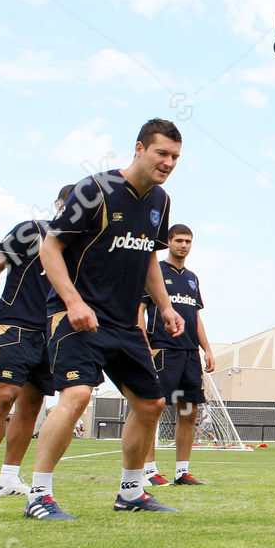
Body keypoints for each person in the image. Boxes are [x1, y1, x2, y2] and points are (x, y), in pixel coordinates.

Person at [26, 120, 186, 520]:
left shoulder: (161, 201)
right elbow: (50, 247)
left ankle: (131, 493)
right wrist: (73, 301)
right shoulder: (94, 189)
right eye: (161, 153)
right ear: (139, 148)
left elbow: (149, 257)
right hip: (77, 316)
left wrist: (166, 306)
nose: (168, 162)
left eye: (175, 157)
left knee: (151, 404)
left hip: (124, 324)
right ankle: (38, 496)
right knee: (78, 395)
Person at [0, 184, 71, 500]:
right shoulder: (31, 231)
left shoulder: (82, 245)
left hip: (51, 332)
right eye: (68, 204)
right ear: (58, 204)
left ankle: (9, 477)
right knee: (4, 396)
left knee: (32, 405)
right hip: (15, 324)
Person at [138, 224, 215, 487]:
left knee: (188, 410)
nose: (183, 245)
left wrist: (207, 349)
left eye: (188, 241)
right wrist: (142, 342)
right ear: (168, 241)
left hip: (189, 354)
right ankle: (149, 471)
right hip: (162, 350)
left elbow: (195, 316)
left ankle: (182, 471)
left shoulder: (192, 278)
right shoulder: (155, 271)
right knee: (153, 408)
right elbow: (140, 308)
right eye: (179, 240)